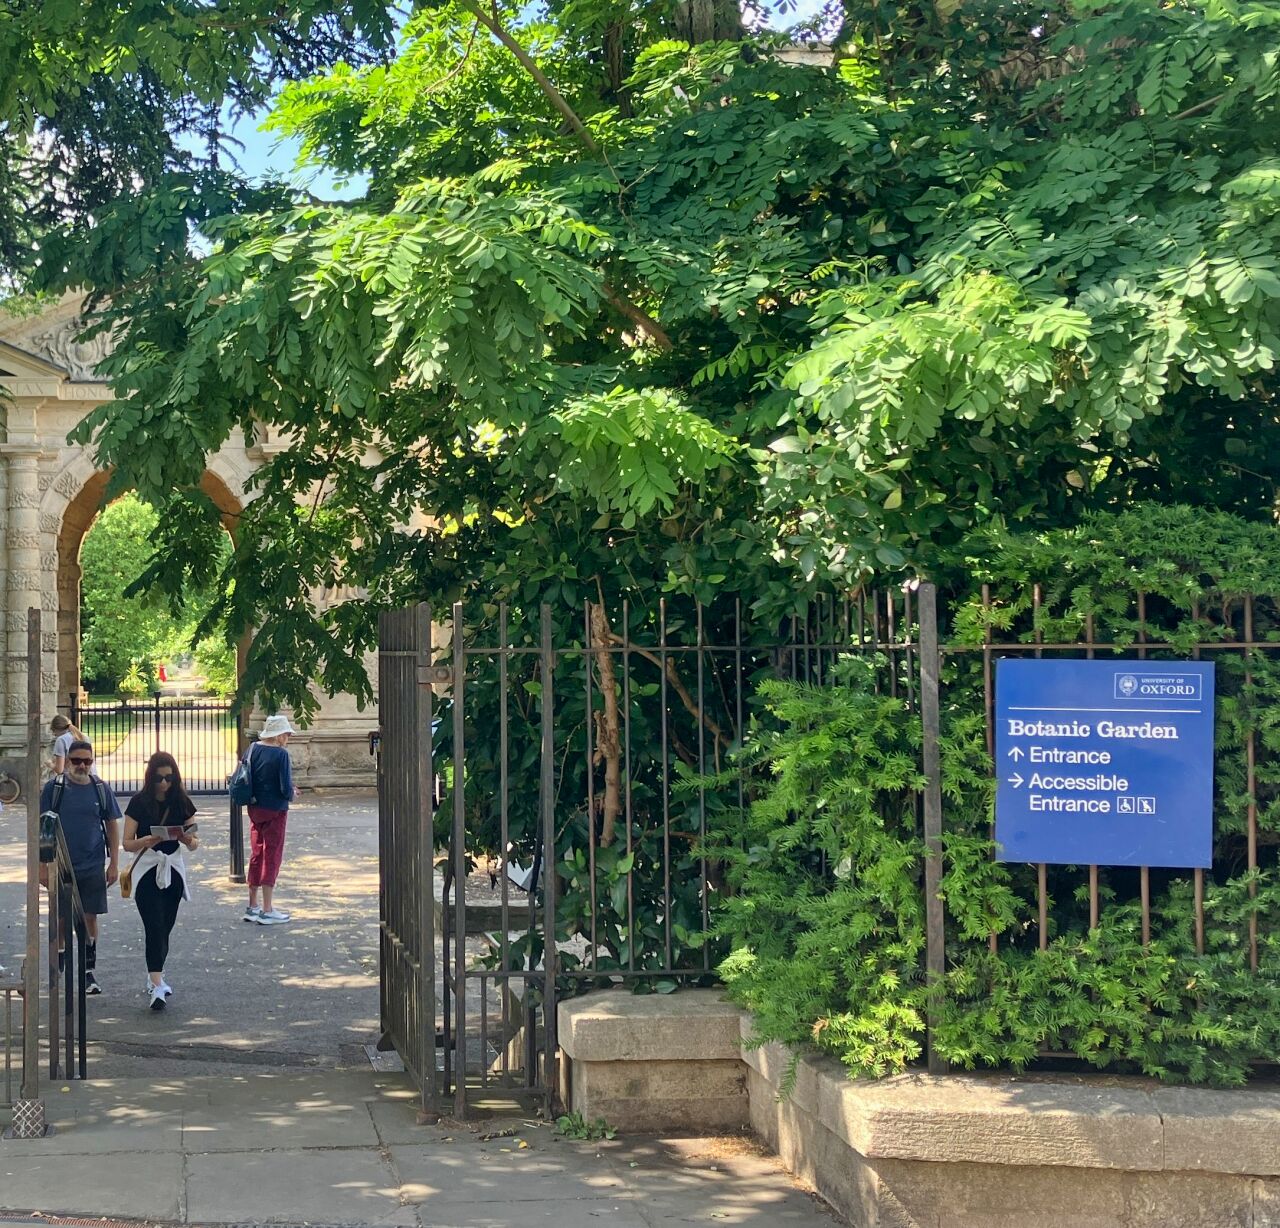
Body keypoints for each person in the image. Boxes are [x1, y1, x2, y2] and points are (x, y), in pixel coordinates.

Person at [38, 739, 121, 994]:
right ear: (67, 762)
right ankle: (58, 964)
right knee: (61, 918)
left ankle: (87, 971)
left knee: (89, 917)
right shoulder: (54, 789)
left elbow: (112, 825)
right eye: (77, 761)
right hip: (61, 864)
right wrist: (42, 866)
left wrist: (114, 863)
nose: (82, 766)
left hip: (92, 863)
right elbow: (42, 828)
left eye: (87, 761)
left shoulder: (100, 789)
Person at [122, 752, 200, 1011]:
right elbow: (127, 843)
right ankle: (157, 985)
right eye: (159, 778)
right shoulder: (139, 802)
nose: (164, 783)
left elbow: (194, 843)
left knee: (166, 925)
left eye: (169, 778)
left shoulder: (182, 802)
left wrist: (186, 839)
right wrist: (146, 841)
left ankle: (155, 974)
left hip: (172, 869)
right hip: (147, 869)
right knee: (154, 925)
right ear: (150, 778)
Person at [243, 714, 300, 925]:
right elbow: (285, 787)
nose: (288, 738)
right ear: (277, 735)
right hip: (275, 810)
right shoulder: (281, 755)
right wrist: (293, 793)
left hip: (255, 808)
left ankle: (252, 905)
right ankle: (267, 909)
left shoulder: (253, 749)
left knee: (257, 853)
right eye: (286, 734)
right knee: (272, 855)